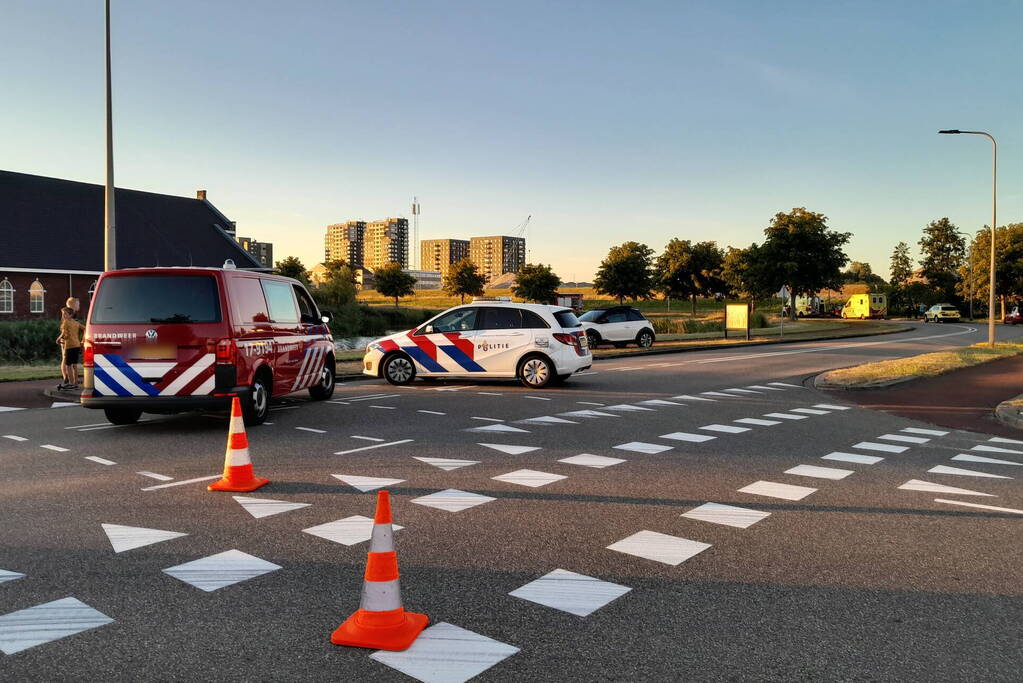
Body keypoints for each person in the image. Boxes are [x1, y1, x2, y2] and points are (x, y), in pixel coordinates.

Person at [56, 299, 85, 390]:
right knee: (74, 364)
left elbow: (63, 333)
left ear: (69, 314)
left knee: (68, 364)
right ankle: (74, 382)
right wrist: (82, 340)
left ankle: (70, 382)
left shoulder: (66, 321)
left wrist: (59, 339)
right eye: (78, 304)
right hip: (76, 344)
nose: (79, 306)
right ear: (73, 305)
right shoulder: (74, 321)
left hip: (69, 345)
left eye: (64, 314)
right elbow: (84, 328)